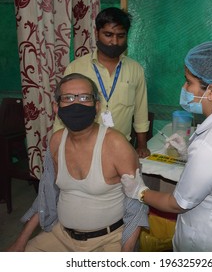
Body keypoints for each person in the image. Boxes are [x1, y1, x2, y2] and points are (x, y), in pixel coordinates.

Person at [121, 41, 212, 252]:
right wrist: (189, 153)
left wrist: (140, 191)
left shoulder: (211, 147)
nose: (184, 88)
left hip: (206, 245)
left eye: (188, 82)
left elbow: (177, 203)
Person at [7, 73, 148, 252]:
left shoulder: (116, 145)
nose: (76, 104)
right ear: (56, 107)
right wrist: (20, 242)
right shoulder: (56, 141)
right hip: (61, 235)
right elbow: (47, 193)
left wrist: (125, 254)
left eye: (84, 97)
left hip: (109, 241)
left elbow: (137, 205)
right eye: (67, 98)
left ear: (96, 106)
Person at [53, 7, 150, 158]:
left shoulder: (135, 69)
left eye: (121, 36)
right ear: (97, 33)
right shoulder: (76, 67)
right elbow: (63, 110)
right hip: (82, 147)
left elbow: (141, 112)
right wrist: (58, 145)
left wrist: (142, 145)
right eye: (108, 35)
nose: (115, 42)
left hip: (121, 147)